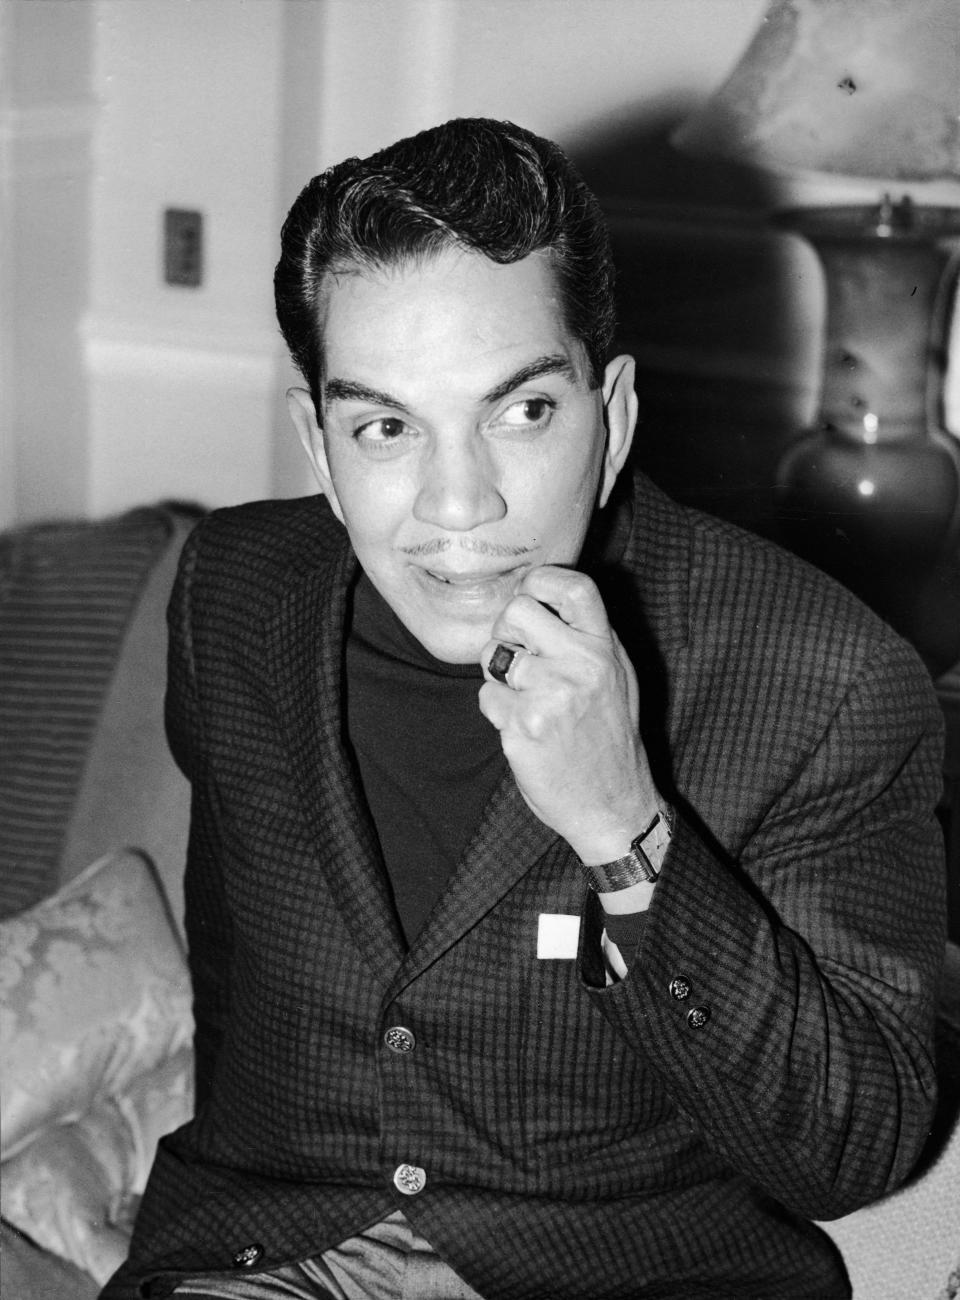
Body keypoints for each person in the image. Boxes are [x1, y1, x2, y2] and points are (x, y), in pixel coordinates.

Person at [102, 118, 946, 1300]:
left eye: (522, 412)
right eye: (386, 427)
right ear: (319, 444)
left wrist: (628, 832)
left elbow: (855, 1149)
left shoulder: (821, 673)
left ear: (613, 420)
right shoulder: (236, 598)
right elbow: (237, 1007)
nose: (459, 503)